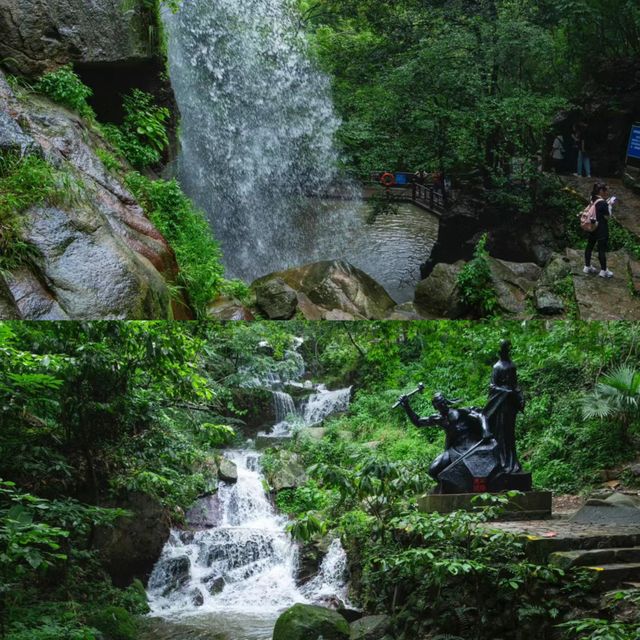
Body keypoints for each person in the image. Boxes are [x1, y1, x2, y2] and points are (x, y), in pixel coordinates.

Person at [399, 392, 493, 482]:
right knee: (433, 470)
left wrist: (486, 431)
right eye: (439, 404)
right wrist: (407, 406)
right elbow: (418, 422)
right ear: (435, 407)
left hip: (471, 444)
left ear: (446, 402)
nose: (442, 405)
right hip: (454, 449)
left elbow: (481, 416)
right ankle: (449, 485)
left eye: (443, 402)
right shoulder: (437, 419)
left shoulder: (461, 412)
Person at [483, 341, 525, 474]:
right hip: (500, 405)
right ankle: (501, 461)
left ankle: (512, 461)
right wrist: (505, 391)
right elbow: (492, 386)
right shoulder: (497, 367)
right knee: (500, 433)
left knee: (509, 435)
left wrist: (519, 396)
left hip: (510, 405)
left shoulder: (512, 365)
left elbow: (515, 384)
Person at [584, 182, 613, 279]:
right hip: (601, 229)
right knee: (601, 250)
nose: (606, 192)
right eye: (605, 190)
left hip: (592, 227)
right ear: (601, 191)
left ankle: (587, 266)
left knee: (589, 246)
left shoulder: (592, 198)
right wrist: (609, 205)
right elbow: (608, 216)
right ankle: (603, 271)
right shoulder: (602, 202)